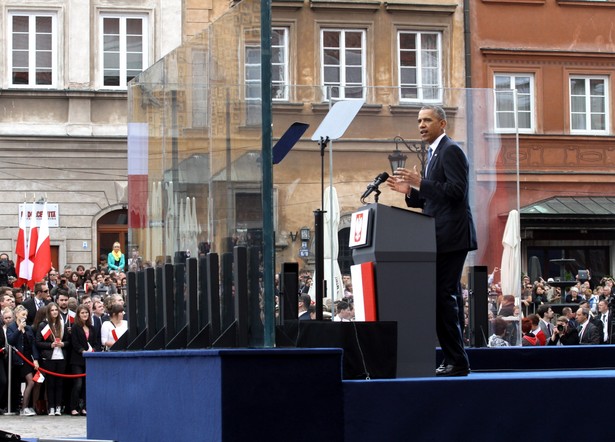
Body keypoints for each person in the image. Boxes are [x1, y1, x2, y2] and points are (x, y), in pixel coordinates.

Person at [386, 105, 476, 377]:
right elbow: (435, 196)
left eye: (427, 120)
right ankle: (454, 358)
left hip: (451, 236)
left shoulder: (451, 150)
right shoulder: (433, 153)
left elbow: (457, 192)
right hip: (438, 236)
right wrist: (411, 191)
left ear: (443, 124)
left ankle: (457, 360)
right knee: (442, 297)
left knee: (442, 296)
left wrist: (421, 182)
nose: (421, 125)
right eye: (419, 121)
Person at [35, 303, 70, 416]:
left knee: (59, 383)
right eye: (52, 310)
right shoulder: (43, 325)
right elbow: (38, 342)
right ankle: (51, 407)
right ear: (48, 312)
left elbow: (68, 342)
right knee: (50, 383)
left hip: (61, 357)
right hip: (49, 357)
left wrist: (62, 344)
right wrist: (50, 345)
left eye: (56, 310)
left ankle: (58, 407)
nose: (55, 312)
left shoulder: (62, 324)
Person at [7, 305, 39, 416]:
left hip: (27, 358)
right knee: (29, 382)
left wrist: (36, 359)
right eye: (23, 315)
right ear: (17, 315)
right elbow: (11, 341)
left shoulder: (29, 328)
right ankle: (22, 407)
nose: (25, 317)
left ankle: (26, 406)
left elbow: (33, 345)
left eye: (26, 315)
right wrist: (19, 329)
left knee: (30, 382)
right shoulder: (12, 327)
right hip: (17, 359)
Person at [69, 305, 101, 416]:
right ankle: (73, 407)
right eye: (82, 313)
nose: (85, 315)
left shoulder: (92, 328)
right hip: (77, 360)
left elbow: (97, 342)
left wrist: (94, 350)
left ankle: (85, 407)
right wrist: (82, 350)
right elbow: (75, 343)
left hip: (90, 359)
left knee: (87, 384)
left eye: (86, 313)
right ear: (78, 314)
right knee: (78, 384)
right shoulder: (75, 327)